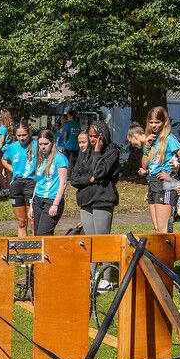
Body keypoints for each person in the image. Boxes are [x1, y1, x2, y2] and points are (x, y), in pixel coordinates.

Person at [72, 122, 120, 291]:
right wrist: (89, 180)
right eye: (90, 136)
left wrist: (98, 152)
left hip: (102, 199)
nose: (92, 140)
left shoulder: (111, 151)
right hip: (85, 200)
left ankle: (106, 278)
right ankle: (91, 275)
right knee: (90, 240)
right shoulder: (85, 152)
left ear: (102, 135)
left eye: (95, 136)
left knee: (102, 239)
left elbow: (100, 172)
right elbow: (74, 179)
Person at [138, 107, 180, 233]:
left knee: (163, 230)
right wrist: (146, 146)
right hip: (152, 183)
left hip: (165, 184)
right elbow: (144, 166)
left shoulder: (169, 139)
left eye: (157, 122)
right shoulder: (151, 139)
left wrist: (173, 174)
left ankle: (169, 253)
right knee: (157, 230)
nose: (153, 125)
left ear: (164, 122)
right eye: (151, 122)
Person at [29, 129, 69, 236]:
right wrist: (32, 204)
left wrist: (55, 204)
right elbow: (38, 182)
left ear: (52, 142)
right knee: (37, 235)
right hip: (38, 200)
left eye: (46, 144)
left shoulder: (60, 159)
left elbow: (63, 183)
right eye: (40, 144)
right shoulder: (40, 159)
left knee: (43, 234)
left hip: (51, 200)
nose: (43, 147)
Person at [1, 121, 38, 237]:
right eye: (19, 135)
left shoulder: (36, 145)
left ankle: (36, 248)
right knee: (22, 222)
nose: (21, 138)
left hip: (31, 183)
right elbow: (3, 160)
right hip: (16, 184)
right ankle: (22, 251)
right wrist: (13, 170)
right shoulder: (12, 147)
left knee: (32, 220)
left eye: (24, 135)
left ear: (29, 133)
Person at [0, 108, 14, 191]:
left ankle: (4, 188)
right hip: (9, 151)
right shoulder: (12, 128)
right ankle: (9, 188)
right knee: (8, 171)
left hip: (2, 152)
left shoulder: (2, 128)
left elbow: (1, 141)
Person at [62, 110, 81, 176]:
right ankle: (75, 175)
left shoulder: (68, 125)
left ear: (71, 116)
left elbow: (65, 135)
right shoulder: (78, 124)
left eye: (68, 116)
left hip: (68, 146)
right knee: (76, 161)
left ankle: (66, 175)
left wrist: (64, 143)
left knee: (65, 161)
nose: (67, 117)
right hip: (76, 146)